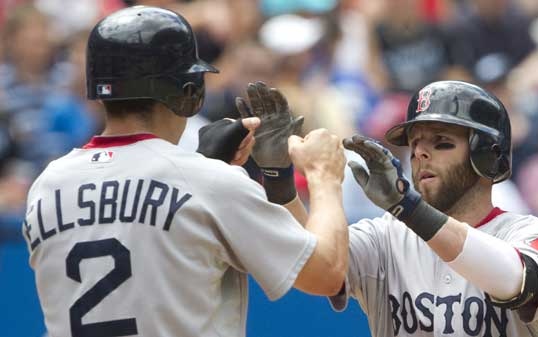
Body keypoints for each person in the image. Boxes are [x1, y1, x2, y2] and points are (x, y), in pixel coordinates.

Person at [22, 6, 348, 337]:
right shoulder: (209, 184)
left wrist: (202, 166)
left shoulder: (47, 184)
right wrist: (324, 177)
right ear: (189, 93)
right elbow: (327, 274)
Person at [238, 80, 538, 336]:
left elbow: (512, 279)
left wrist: (407, 207)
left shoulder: (529, 234)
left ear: (487, 156)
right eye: (415, 143)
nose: (420, 154)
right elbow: (313, 265)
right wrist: (277, 176)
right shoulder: (385, 234)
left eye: (441, 142)